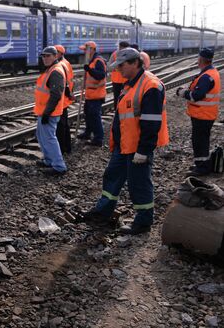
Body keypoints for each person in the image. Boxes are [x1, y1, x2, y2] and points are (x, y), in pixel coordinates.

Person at [83, 48, 169, 235]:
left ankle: (143, 222)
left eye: (122, 66)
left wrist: (144, 151)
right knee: (111, 176)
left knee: (138, 183)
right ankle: (104, 210)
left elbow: (151, 123)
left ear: (135, 63)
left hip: (137, 147)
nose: (119, 70)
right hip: (124, 145)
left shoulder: (151, 86)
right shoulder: (131, 83)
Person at [176, 48, 220, 176]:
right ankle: (201, 164)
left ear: (201, 60)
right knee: (201, 140)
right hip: (206, 114)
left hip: (203, 115)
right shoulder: (211, 72)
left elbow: (196, 96)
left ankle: (202, 168)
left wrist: (182, 92)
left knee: (199, 141)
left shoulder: (207, 76)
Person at [34, 46, 67, 175]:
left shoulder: (56, 71)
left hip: (49, 112)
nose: (45, 58)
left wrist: (47, 113)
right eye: (43, 56)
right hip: (44, 111)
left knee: (49, 138)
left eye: (48, 56)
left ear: (55, 56)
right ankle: (49, 160)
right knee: (42, 137)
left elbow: (56, 95)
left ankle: (59, 166)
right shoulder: (51, 69)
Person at [78, 41, 106, 146]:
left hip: (97, 94)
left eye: (86, 50)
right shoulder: (91, 60)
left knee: (94, 116)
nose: (84, 52)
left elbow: (101, 75)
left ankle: (98, 138)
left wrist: (89, 70)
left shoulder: (98, 61)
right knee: (88, 114)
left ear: (92, 50)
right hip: (90, 93)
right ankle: (88, 133)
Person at [54, 45, 73, 154]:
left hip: (62, 100)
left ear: (60, 53)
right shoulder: (66, 63)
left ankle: (62, 149)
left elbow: (65, 84)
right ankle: (67, 147)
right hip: (65, 99)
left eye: (55, 52)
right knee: (64, 125)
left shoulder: (60, 65)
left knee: (61, 127)